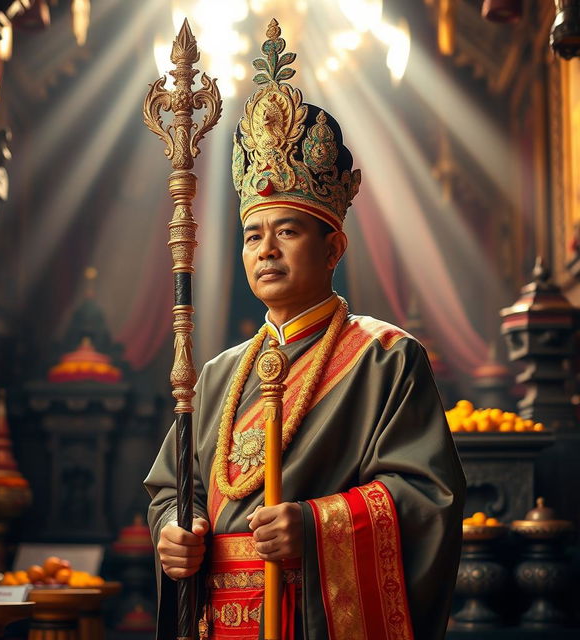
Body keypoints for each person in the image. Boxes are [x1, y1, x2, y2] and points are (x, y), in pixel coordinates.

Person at [145, 19, 465, 640]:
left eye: (287, 231)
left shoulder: (385, 360)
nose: (266, 250)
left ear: (333, 245)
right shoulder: (216, 375)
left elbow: (429, 500)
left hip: (306, 617)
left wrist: (318, 529)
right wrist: (172, 533)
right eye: (253, 235)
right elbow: (170, 489)